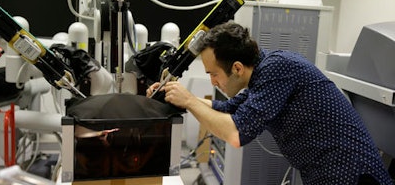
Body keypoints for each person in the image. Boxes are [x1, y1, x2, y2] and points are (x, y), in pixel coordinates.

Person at [146, 21, 393, 184]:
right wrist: (177, 99)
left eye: (213, 74)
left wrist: (189, 100)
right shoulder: (263, 74)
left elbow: (235, 134)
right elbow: (226, 109)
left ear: (237, 68)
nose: (212, 82)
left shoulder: (278, 68)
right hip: (326, 174)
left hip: (352, 175)